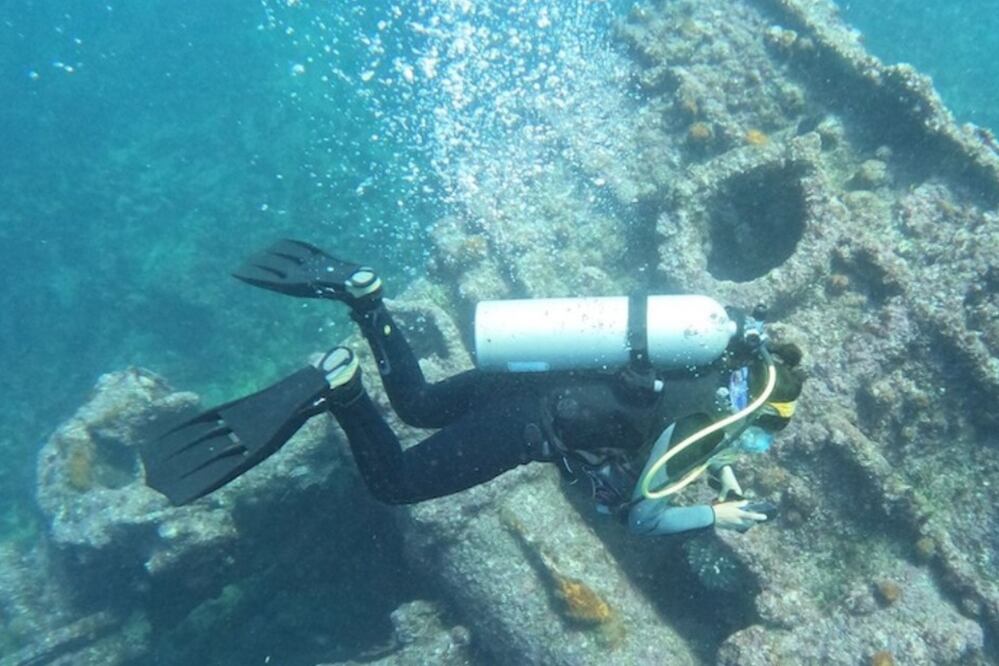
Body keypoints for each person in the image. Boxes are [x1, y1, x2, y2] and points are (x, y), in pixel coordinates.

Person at [142, 240, 803, 536]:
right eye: (757, 439)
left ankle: (368, 302)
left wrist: (716, 466)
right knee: (394, 482)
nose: (749, 450)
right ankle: (336, 388)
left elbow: (668, 415)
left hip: (520, 380)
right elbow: (642, 516)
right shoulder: (697, 433)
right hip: (524, 430)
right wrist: (715, 513)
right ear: (747, 414)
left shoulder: (698, 354)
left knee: (418, 403)